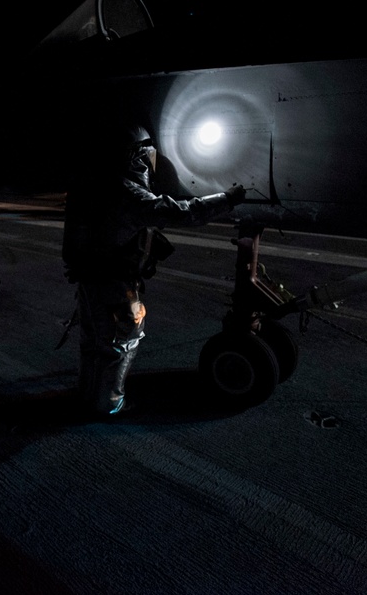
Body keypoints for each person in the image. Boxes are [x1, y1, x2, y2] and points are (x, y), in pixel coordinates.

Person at [61, 122, 247, 418]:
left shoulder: (99, 183)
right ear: (136, 155)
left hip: (95, 279)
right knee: (119, 343)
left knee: (95, 343)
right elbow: (177, 212)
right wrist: (227, 199)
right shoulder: (124, 191)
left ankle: (90, 398)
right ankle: (106, 405)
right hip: (114, 283)